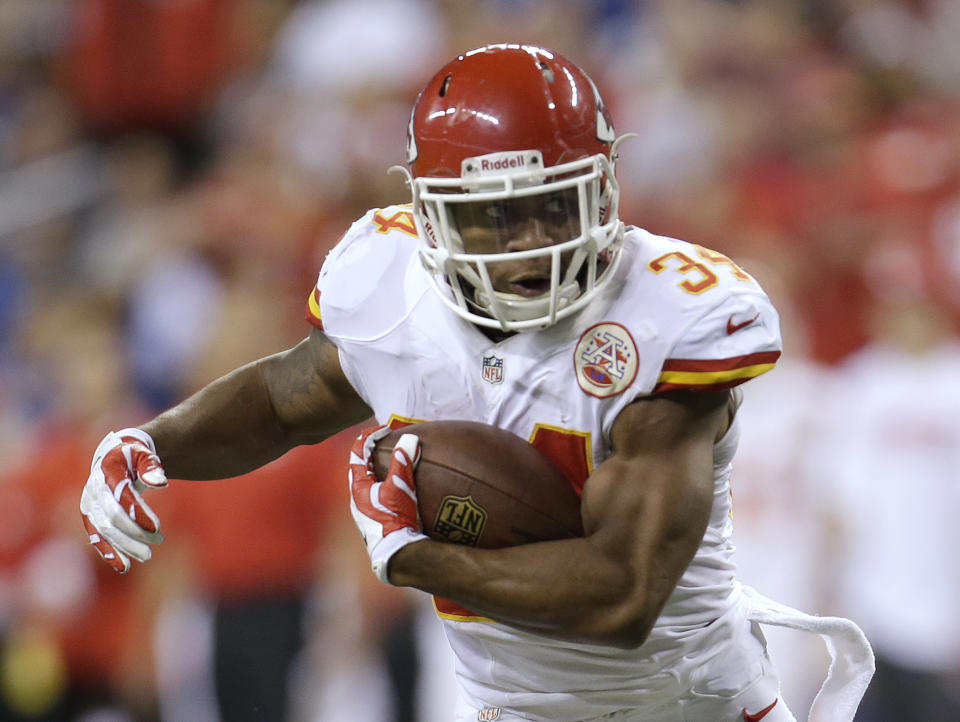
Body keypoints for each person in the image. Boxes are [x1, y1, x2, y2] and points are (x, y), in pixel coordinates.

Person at [80, 43, 874, 722]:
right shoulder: (390, 285)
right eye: (496, 216)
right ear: (429, 218)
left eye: (554, 207)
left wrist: (410, 554)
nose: (529, 245)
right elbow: (287, 399)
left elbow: (624, 597)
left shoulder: (670, 316)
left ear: (603, 188)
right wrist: (149, 441)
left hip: (684, 705)